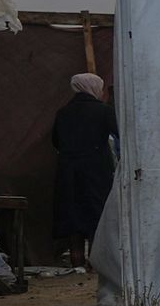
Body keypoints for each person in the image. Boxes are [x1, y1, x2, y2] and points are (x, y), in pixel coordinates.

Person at [47, 72, 117, 268]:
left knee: (73, 218)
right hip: (96, 171)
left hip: (68, 172)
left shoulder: (63, 113)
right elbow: (119, 133)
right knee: (97, 216)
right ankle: (96, 264)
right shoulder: (103, 111)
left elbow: (56, 141)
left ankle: (76, 261)